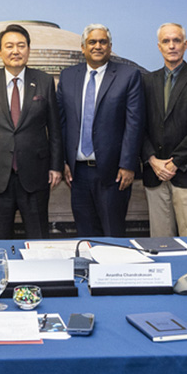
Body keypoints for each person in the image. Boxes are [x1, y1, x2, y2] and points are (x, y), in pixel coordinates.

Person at [0, 24, 63, 239]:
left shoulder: (44, 81)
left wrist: (56, 166)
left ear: (29, 50)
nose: (15, 51)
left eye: (21, 45)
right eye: (9, 46)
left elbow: (55, 129)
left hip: (36, 173)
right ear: (0, 51)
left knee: (38, 236)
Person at [58, 24, 145, 237]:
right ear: (83, 47)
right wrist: (63, 161)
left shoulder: (128, 76)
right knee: (85, 235)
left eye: (103, 42)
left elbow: (134, 123)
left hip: (113, 173)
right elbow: (61, 122)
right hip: (77, 174)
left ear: (110, 46)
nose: (98, 46)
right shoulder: (68, 76)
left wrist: (127, 164)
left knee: (113, 234)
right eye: (92, 42)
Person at [140, 23, 187, 237]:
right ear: (159, 46)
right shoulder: (146, 81)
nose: (172, 46)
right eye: (166, 41)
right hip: (155, 174)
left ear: (185, 44)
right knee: (160, 242)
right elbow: (139, 126)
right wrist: (152, 160)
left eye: (176, 40)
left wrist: (174, 163)